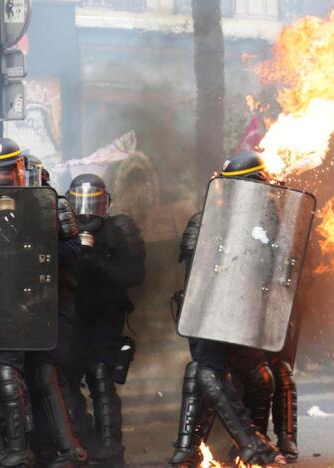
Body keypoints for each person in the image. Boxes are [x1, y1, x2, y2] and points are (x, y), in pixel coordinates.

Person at [0, 138, 84, 468]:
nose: (2, 179)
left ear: (21, 169)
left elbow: (74, 252)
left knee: (44, 376)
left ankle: (69, 450)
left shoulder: (48, 201)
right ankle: (16, 450)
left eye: (7, 171)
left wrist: (34, 253)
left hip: (48, 302)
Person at [165, 151, 285, 467]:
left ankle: (200, 450)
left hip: (245, 310)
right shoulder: (205, 220)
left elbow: (277, 264)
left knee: (236, 373)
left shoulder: (266, 219)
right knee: (206, 370)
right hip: (209, 311)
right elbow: (197, 276)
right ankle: (250, 446)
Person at [66, 173, 146, 466]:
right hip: (73, 315)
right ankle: (83, 442)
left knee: (100, 375)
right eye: (80, 202)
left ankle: (111, 449)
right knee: (67, 380)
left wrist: (94, 261)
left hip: (107, 314)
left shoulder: (119, 229)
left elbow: (135, 275)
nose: (87, 210)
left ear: (106, 203)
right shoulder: (63, 229)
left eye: (94, 203)